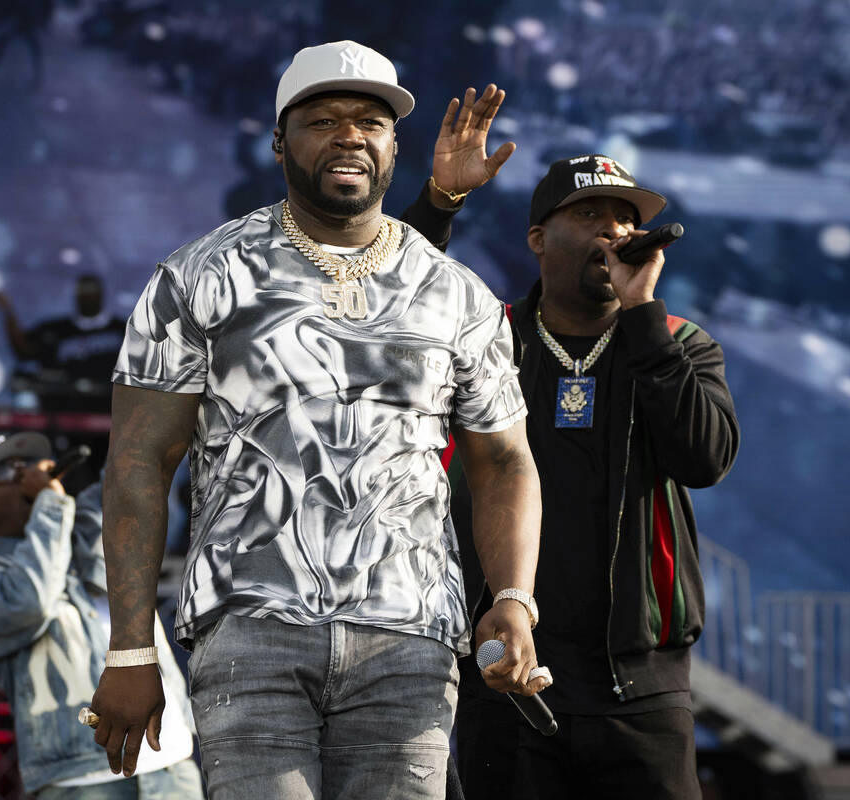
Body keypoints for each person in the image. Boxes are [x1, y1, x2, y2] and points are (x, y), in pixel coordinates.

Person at [87, 41, 546, 800]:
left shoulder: (457, 294)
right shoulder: (202, 275)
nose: (349, 135)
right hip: (249, 631)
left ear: (394, 144)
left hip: (412, 636)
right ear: (278, 141)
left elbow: (504, 461)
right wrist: (131, 651)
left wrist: (513, 596)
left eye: (370, 120)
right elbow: (138, 462)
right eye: (322, 118)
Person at [401, 152, 740, 798]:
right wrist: (440, 201)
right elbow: (394, 301)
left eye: (623, 219)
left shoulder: (677, 341)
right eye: (589, 215)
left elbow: (706, 459)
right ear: (538, 239)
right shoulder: (488, 340)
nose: (612, 232)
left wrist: (644, 321)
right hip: (504, 676)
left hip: (639, 689)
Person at [0, 432, 205, 798]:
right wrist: (50, 503)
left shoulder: (83, 528)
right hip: (78, 781)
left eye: (26, 466)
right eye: (3, 473)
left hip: (170, 765)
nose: (23, 476)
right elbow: (30, 602)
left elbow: (130, 477)